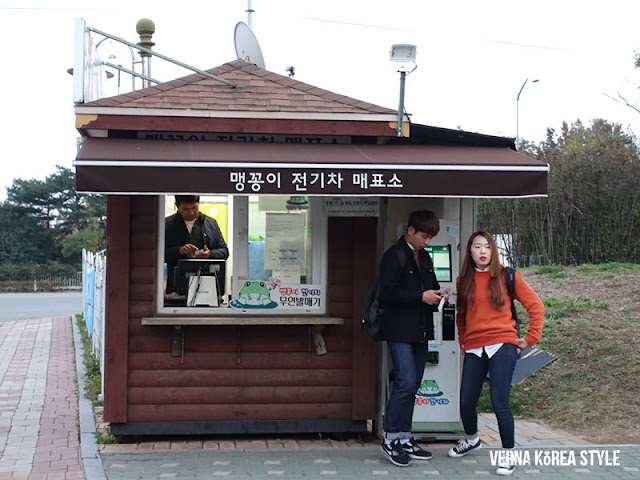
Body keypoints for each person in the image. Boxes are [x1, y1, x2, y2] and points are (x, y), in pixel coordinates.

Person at [448, 231, 544, 476]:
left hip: (503, 344)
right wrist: (464, 342)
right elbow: (461, 317)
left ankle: (508, 455)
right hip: (474, 348)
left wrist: (530, 338)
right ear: (469, 251)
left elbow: (536, 307)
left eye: (486, 247)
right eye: (477, 246)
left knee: (499, 402)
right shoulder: (463, 281)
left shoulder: (507, 276)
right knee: (466, 401)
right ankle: (472, 439)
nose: (482, 251)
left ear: (493, 251)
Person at [379, 210, 450, 467]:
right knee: (405, 381)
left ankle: (405, 438)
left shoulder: (426, 258)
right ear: (409, 230)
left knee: (413, 385)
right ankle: (390, 438)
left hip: (421, 330)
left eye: (430, 237)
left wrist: (439, 296)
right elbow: (387, 295)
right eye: (424, 236)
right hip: (398, 331)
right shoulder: (393, 257)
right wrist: (420, 297)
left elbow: (428, 288)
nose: (427, 242)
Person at [165, 195, 229, 295]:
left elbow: (225, 252)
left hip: (208, 284)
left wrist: (210, 254)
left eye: (194, 208)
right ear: (177, 206)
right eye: (185, 209)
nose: (191, 213)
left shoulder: (211, 224)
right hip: (176, 286)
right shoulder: (167, 224)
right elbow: (158, 255)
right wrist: (179, 251)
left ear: (199, 204)